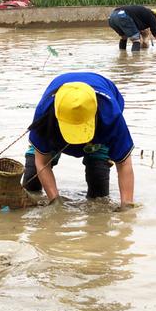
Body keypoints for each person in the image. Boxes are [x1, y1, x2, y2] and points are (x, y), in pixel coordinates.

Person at [22, 72, 135, 209]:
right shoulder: (45, 113)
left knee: (98, 192)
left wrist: (127, 206)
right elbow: (41, 162)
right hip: (55, 132)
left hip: (96, 135)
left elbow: (124, 164)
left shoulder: (111, 115)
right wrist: (54, 200)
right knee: (31, 182)